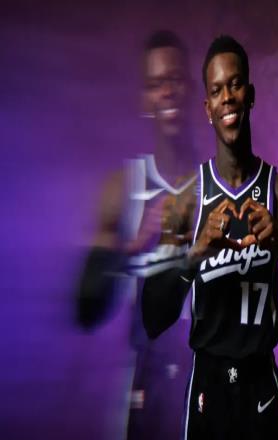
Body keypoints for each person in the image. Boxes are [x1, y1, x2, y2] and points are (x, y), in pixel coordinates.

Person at [143, 35, 278, 440]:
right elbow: (152, 318)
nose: (227, 97)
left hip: (260, 385)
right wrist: (194, 255)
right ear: (207, 108)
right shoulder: (185, 200)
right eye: (216, 90)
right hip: (207, 389)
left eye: (235, 85)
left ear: (251, 95)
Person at [76, 30, 197, 440]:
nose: (168, 92)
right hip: (145, 396)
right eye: (156, 84)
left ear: (192, 90)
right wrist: (134, 246)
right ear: (145, 99)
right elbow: (86, 310)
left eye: (175, 80)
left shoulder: (224, 186)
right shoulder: (124, 189)